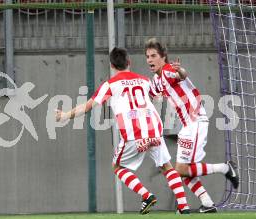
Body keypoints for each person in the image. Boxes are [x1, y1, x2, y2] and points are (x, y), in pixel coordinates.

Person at [56, 47, 191, 214]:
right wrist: (178, 73)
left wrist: (64, 116)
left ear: (112, 66)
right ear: (129, 62)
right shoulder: (144, 80)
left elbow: (88, 106)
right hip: (154, 129)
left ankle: (146, 195)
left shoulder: (110, 85)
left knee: (118, 167)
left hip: (134, 133)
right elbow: (165, 90)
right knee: (167, 167)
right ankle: (184, 208)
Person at [144, 38, 239, 213]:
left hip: (195, 121)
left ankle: (225, 168)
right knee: (184, 170)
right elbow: (148, 95)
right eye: (147, 56)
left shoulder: (167, 71)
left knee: (181, 169)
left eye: (153, 55)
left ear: (163, 56)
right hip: (187, 125)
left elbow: (182, 75)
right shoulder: (156, 80)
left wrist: (180, 70)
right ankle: (208, 203)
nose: (149, 59)